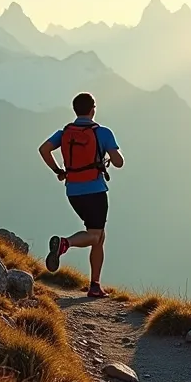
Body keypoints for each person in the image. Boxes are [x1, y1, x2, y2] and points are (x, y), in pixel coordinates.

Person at [38, 92, 125, 297]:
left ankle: (95, 285)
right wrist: (111, 155)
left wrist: (58, 171)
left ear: (75, 109)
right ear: (93, 109)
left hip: (73, 191)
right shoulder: (102, 133)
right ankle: (65, 243)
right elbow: (119, 162)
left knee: (99, 236)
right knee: (96, 236)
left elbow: (44, 150)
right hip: (95, 191)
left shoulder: (65, 132)